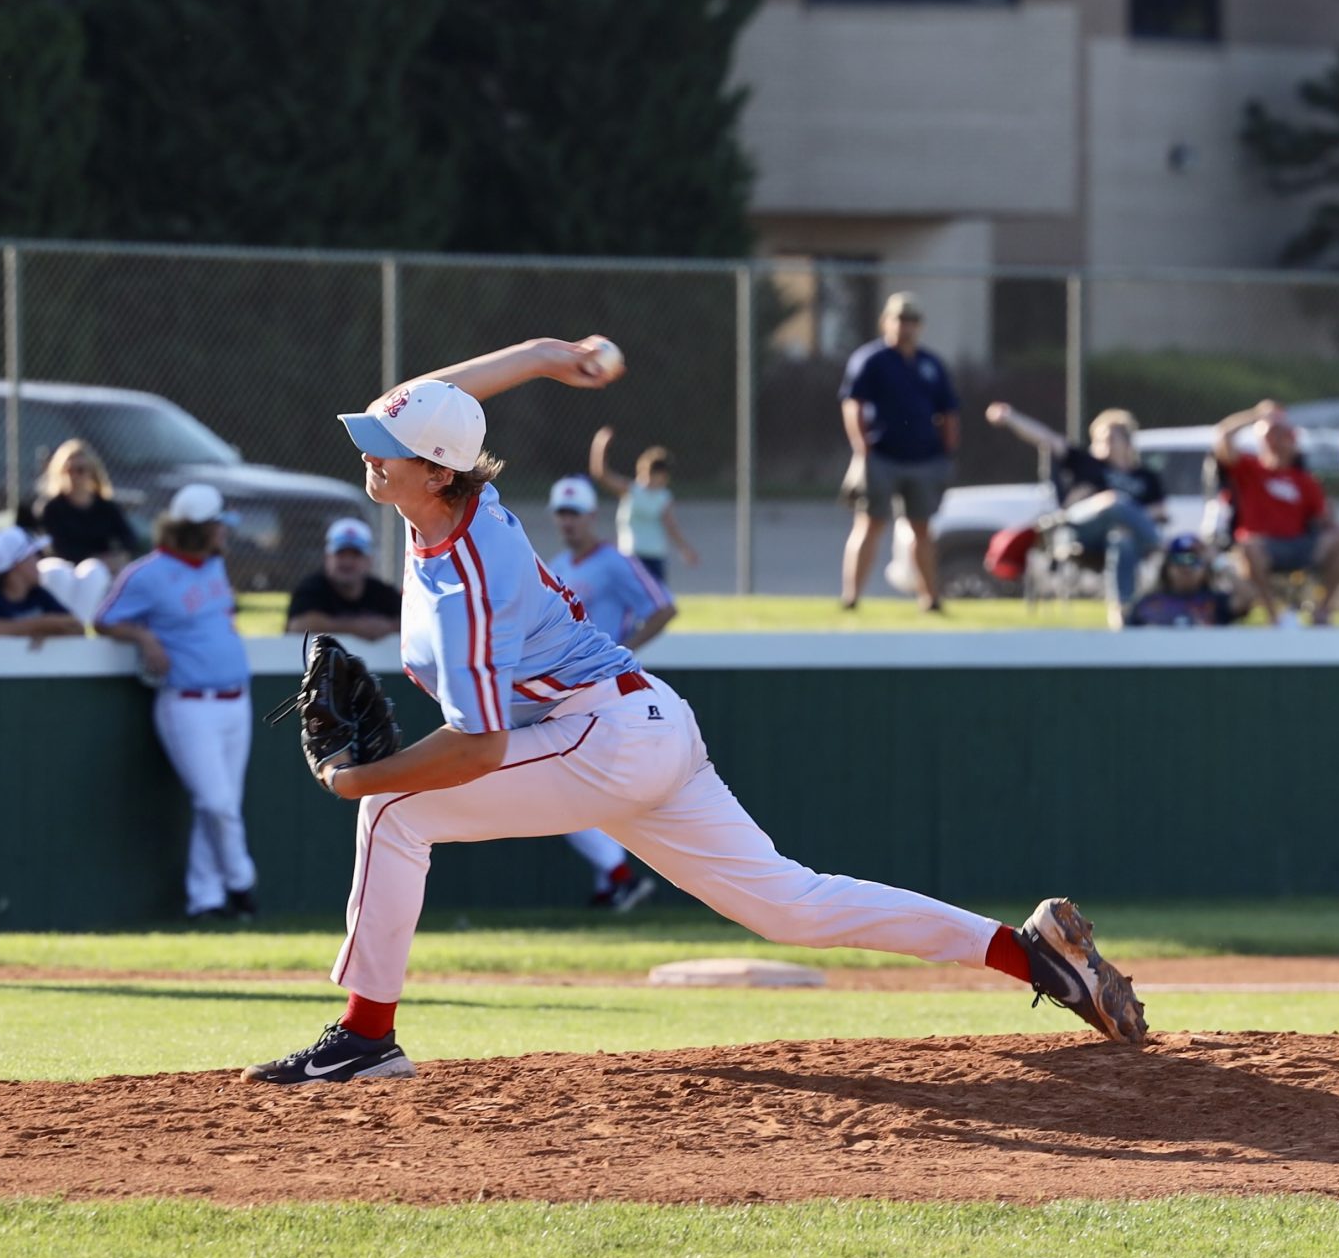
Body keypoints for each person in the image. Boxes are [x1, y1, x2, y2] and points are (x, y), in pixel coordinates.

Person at [239, 337, 1146, 1087]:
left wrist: (359, 777)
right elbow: (441, 396)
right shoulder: (451, 503)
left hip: (598, 738)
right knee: (790, 905)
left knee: (392, 810)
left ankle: (365, 1037)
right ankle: (1031, 955)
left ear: (435, 472)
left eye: (381, 445)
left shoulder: (464, 584)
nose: (367, 450)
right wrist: (550, 355)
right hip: (644, 725)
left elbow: (479, 748)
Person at [95, 484, 258, 923]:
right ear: (200, 529)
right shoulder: (146, 573)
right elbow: (105, 619)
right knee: (217, 802)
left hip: (234, 699)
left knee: (220, 806)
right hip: (188, 702)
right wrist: (145, 636)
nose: (225, 534)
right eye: (219, 526)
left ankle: (206, 899)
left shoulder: (213, 567)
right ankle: (242, 883)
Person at [546, 473, 675, 912]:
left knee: (565, 790)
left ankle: (619, 877)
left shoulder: (615, 561)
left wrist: (625, 649)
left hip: (607, 692)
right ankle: (614, 883)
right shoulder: (557, 563)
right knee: (577, 790)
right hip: (565, 691)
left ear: (592, 517)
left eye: (575, 513)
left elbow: (662, 606)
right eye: (562, 513)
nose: (568, 522)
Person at [984, 403, 1166, 625]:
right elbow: (1047, 438)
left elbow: (1160, 511)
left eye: (1109, 438)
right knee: (1112, 500)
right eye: (1098, 439)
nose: (1101, 444)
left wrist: (1127, 514)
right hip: (1081, 527)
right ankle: (1161, 546)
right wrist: (1011, 417)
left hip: (1118, 535)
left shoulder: (1145, 477)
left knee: (1122, 539)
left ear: (1126, 442)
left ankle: (1121, 612)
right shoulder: (1085, 462)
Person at [838, 292, 959, 612]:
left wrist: (947, 450)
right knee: (870, 523)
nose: (906, 327)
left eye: (912, 321)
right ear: (886, 322)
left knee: (922, 529)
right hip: (882, 456)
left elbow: (948, 410)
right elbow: (853, 402)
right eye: (900, 320)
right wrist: (861, 445)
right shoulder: (871, 359)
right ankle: (851, 597)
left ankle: (929, 598)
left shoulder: (930, 363)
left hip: (924, 458)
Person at [1210, 400, 1339, 626]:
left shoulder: (1305, 481)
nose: (1276, 442)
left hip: (1298, 545)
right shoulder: (1248, 468)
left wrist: (1338, 530)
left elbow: (1323, 520)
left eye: (1282, 435)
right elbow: (1224, 436)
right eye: (1270, 435)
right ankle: (1274, 616)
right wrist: (1257, 415)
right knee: (1250, 546)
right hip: (1261, 547)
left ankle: (1322, 611)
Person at [22, 439, 140, 624]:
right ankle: (65, 625)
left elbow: (130, 540)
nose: (75, 476)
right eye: (69, 470)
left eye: (81, 470)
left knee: (94, 572)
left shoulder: (106, 507)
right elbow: (57, 548)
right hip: (61, 566)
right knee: (61, 572)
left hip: (95, 570)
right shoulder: (50, 508)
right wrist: (101, 559)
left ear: (93, 473)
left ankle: (77, 629)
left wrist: (119, 556)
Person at [588, 425, 697, 584]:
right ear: (656, 473)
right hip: (631, 555)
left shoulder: (663, 496)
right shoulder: (631, 490)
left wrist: (684, 549)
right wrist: (600, 445)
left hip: (654, 556)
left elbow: (670, 525)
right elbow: (601, 475)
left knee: (655, 604)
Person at [283, 517, 402, 641]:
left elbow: (409, 623)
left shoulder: (383, 593)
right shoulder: (311, 589)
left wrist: (387, 627)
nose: (347, 562)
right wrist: (357, 628)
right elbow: (297, 626)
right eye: (341, 554)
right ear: (327, 557)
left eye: (356, 555)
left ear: (369, 560)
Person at [0, 526, 84, 642]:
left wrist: (46, 630)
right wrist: (43, 625)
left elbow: (76, 627)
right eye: (33, 556)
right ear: (16, 565)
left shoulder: (38, 595)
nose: (38, 560)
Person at [1122, 533, 1240, 628]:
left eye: (1194, 560)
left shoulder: (1216, 601)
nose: (1186, 567)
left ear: (1206, 567)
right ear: (1167, 567)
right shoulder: (1146, 603)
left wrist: (1218, 561)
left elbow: (1248, 596)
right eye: (1178, 559)